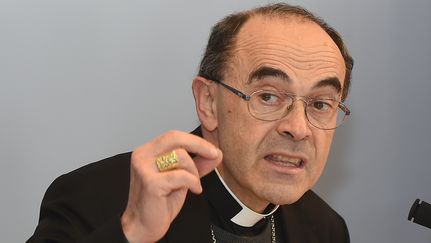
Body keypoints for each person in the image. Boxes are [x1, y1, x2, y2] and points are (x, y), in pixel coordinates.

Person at [27, 3, 353, 243]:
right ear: (208, 103)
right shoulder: (98, 200)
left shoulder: (326, 228)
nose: (298, 128)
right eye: (268, 97)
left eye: (321, 104)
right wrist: (132, 231)